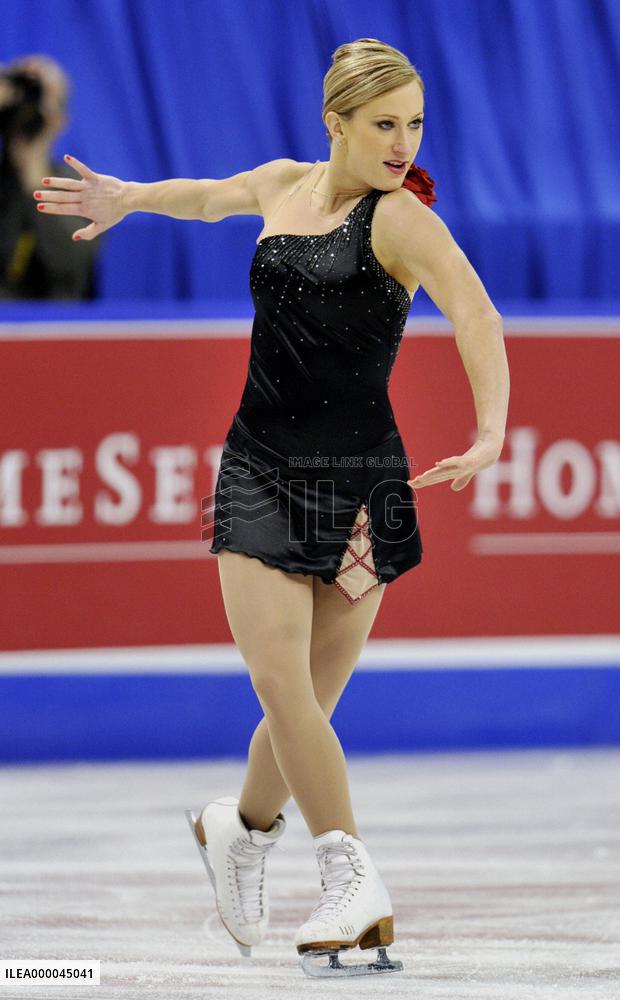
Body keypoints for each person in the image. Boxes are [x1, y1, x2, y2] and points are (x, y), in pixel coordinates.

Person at [34, 37, 510, 978]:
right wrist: (130, 198)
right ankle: (350, 873)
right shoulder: (281, 182)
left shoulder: (401, 221)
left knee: (308, 707)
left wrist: (493, 430)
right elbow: (207, 195)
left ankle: (240, 832)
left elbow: (477, 312)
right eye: (383, 124)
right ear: (335, 122)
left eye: (415, 123)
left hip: (367, 483)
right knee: (283, 685)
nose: (403, 141)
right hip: (259, 470)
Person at [0, 54, 98, 299]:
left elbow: (69, 262)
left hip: (55, 324)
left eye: (38, 95)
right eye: (22, 90)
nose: (27, 104)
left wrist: (33, 174)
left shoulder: (79, 188)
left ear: (60, 120)